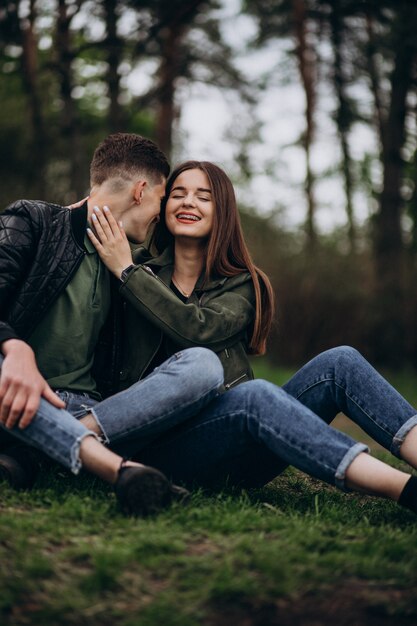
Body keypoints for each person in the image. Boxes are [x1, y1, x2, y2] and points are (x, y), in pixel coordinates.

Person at [87, 160, 417, 516]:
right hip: (155, 449)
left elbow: (197, 330)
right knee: (255, 395)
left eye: (204, 197)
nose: (187, 203)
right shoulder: (134, 267)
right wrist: (125, 265)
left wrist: (128, 273)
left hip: (237, 438)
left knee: (341, 361)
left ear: (222, 210)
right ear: (162, 206)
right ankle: (407, 490)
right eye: (178, 194)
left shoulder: (241, 283)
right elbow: (89, 216)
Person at [0, 139, 224, 517]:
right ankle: (116, 469)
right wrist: (16, 350)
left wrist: (128, 271)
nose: (160, 213)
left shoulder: (135, 265)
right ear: (141, 192)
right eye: (162, 198)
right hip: (13, 388)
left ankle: (39, 448)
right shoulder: (34, 222)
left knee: (204, 365)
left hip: (96, 412)